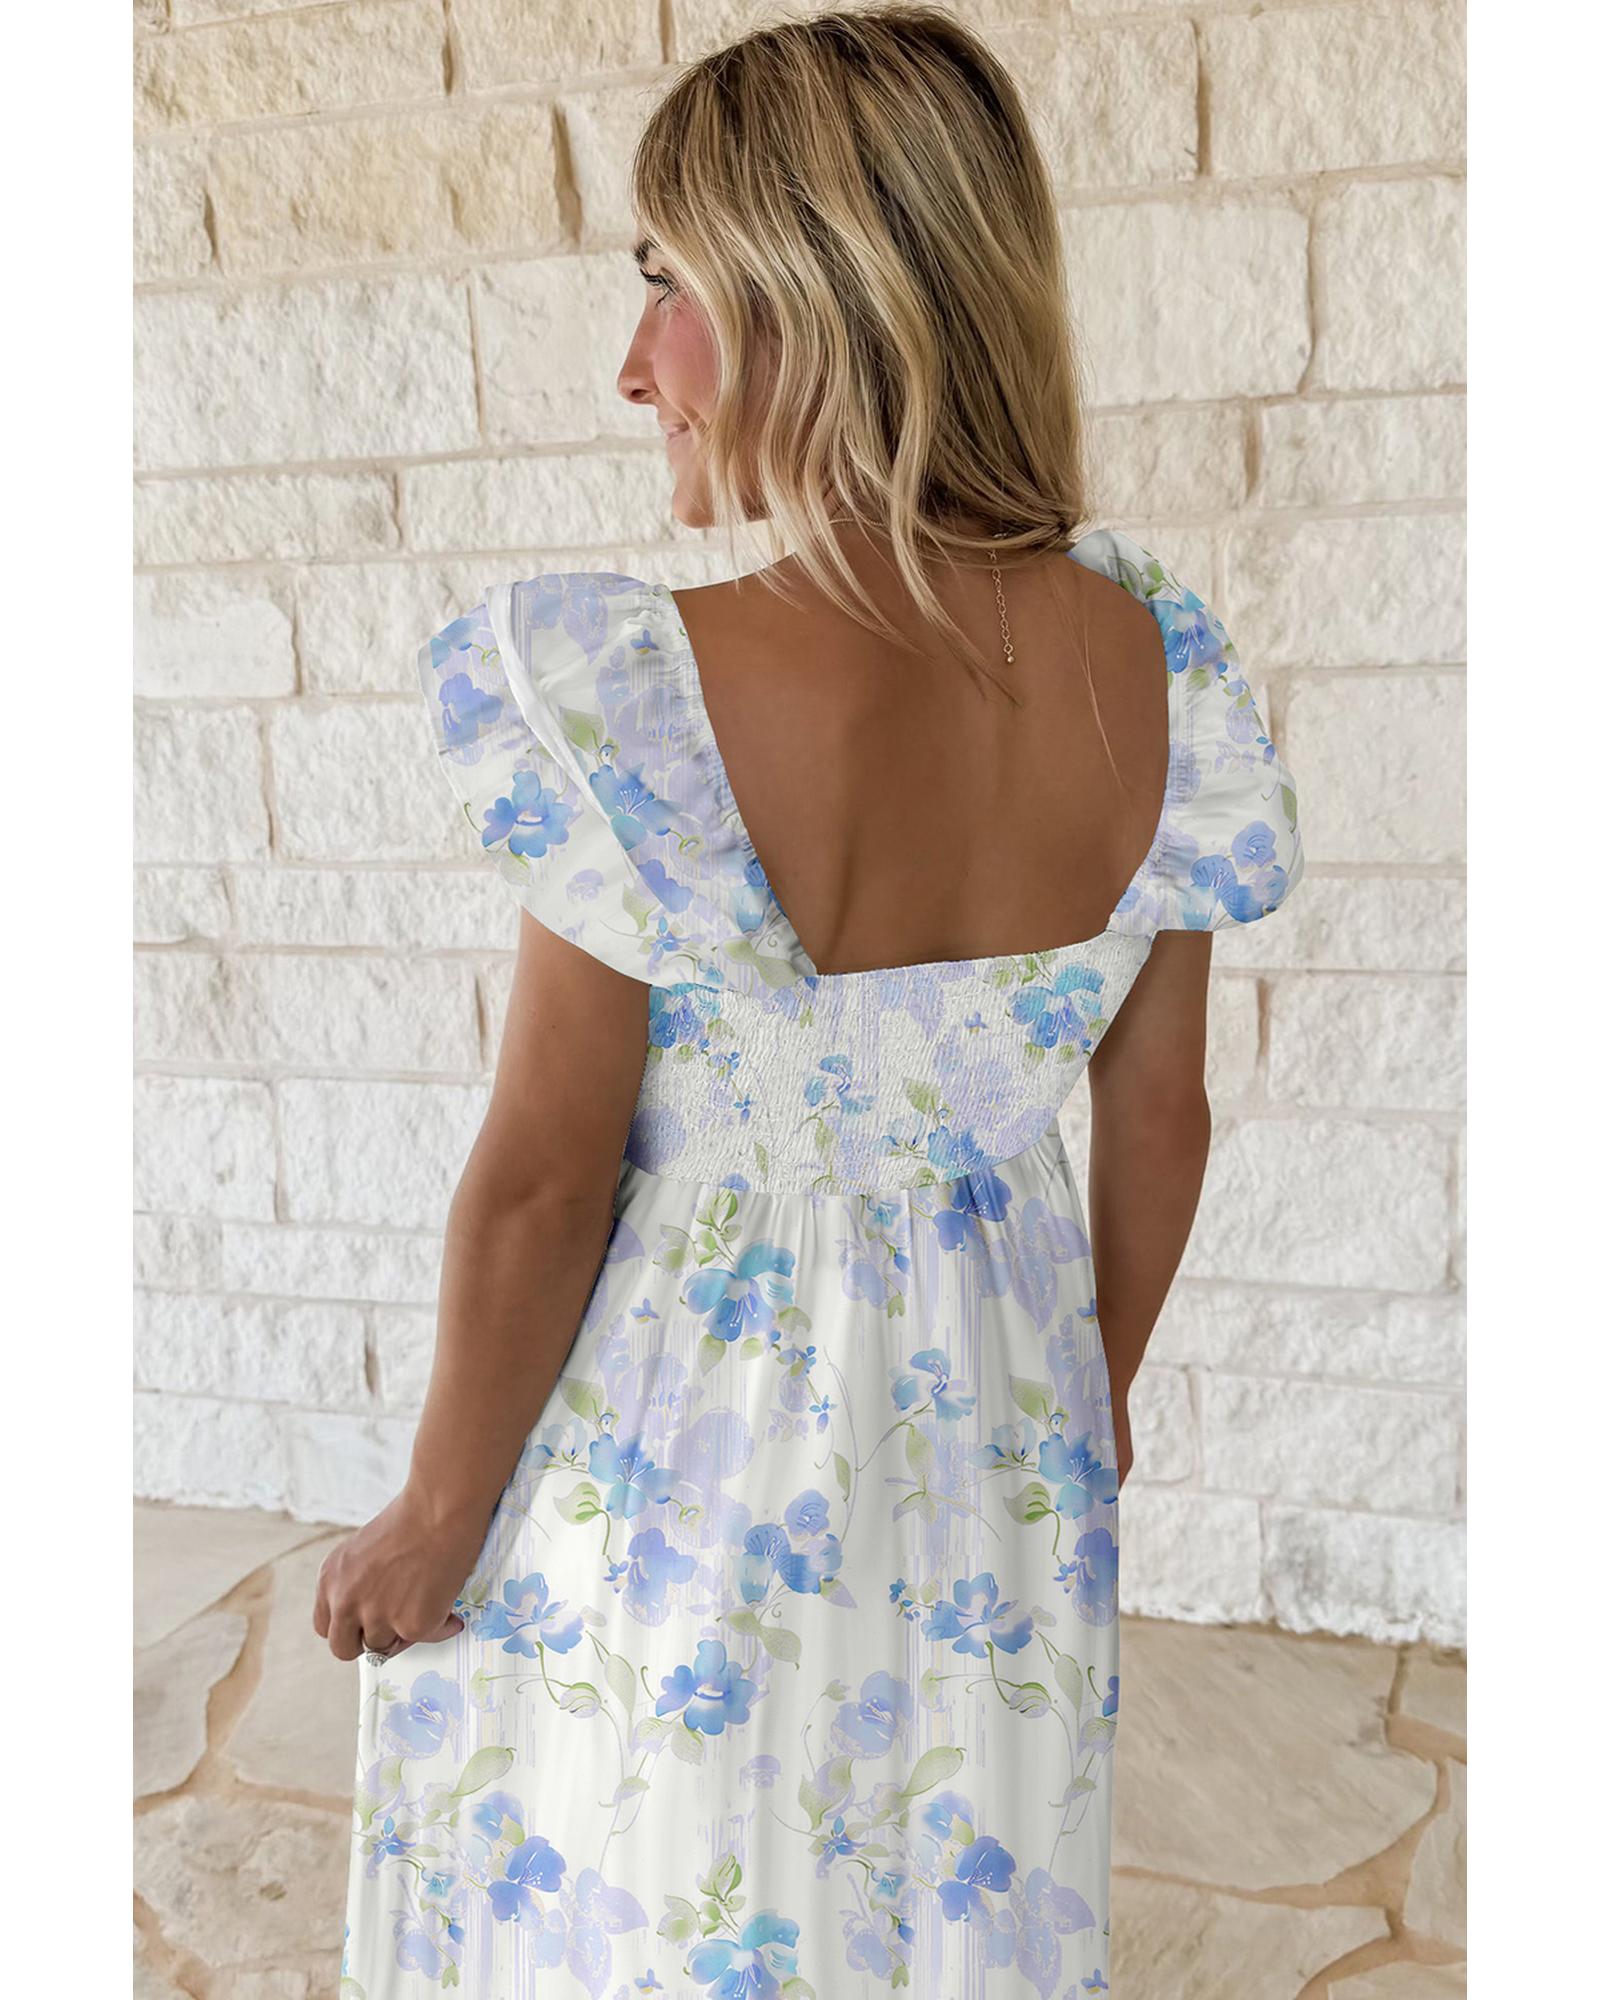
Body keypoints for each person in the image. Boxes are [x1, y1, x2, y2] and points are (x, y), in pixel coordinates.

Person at [320, 7, 1305, 1995]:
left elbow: (544, 1177)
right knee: (932, 1881)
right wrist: (1088, 1386)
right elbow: (1159, 1112)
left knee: (659, 1861)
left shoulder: (631, 686)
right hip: (1000, 1414)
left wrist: (434, 1508)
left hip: (692, 1427)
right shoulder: (1159, 659)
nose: (633, 365)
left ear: (820, 293)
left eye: (664, 283)